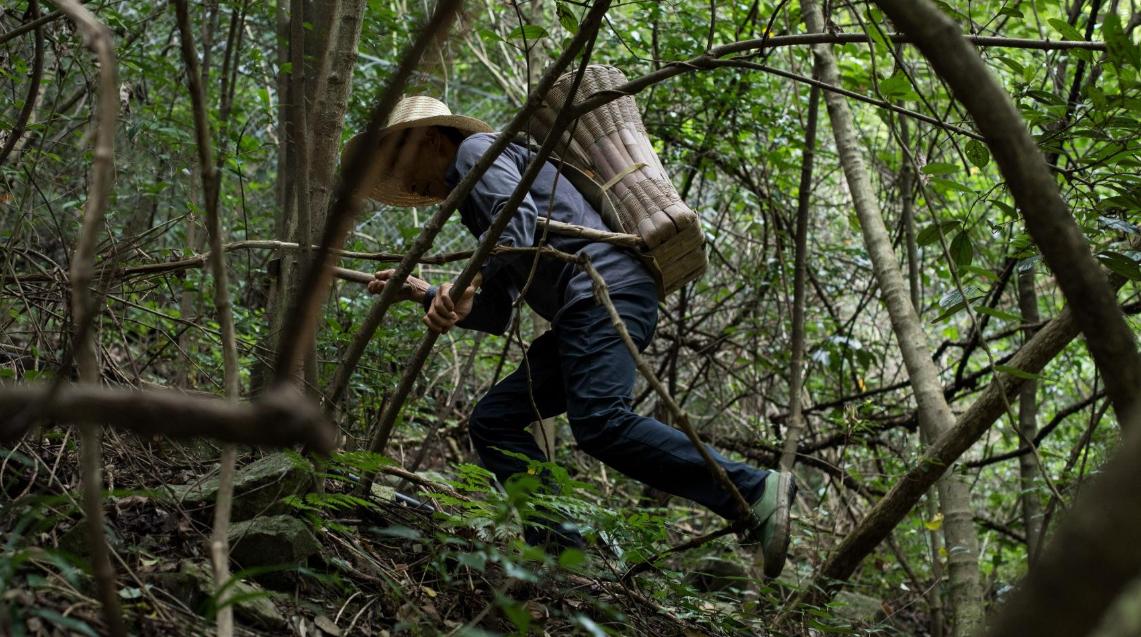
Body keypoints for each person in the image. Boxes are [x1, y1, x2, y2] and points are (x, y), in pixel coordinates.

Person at [351, 96, 795, 578]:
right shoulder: (475, 189)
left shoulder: (478, 151)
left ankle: (753, 488)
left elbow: (514, 222)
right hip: (581, 309)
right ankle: (561, 553)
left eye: (399, 162)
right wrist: (426, 293)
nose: (403, 182)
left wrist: (466, 281)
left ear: (432, 139)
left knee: (600, 421)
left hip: (604, 290)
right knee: (494, 421)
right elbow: (496, 306)